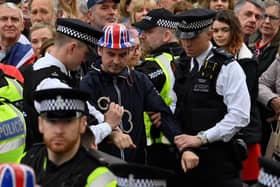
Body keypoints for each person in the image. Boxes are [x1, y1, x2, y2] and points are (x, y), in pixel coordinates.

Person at [80, 23, 182, 164]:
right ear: (100, 50)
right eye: (111, 54)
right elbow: (85, 126)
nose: (116, 61)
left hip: (136, 163)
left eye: (122, 55)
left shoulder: (139, 80)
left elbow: (164, 115)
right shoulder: (88, 83)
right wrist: (111, 132)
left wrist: (184, 147)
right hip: (101, 165)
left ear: (130, 51)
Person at [173, 8, 251, 187]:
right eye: (183, 38)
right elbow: (176, 105)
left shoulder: (228, 67)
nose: (186, 44)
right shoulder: (182, 64)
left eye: (192, 38)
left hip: (218, 161)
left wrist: (202, 138)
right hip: (186, 157)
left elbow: (239, 115)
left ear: (209, 34)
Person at [23, 18, 123, 151]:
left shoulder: (55, 71)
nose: (84, 60)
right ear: (72, 48)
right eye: (85, 54)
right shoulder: (51, 84)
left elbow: (87, 107)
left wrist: (110, 127)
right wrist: (109, 125)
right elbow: (75, 137)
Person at [20, 88, 118, 187]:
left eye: (68, 122)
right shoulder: (27, 160)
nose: (59, 131)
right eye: (52, 121)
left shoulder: (99, 176)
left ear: (82, 124)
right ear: (40, 124)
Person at [212, 9, 262, 185]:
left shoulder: (246, 59)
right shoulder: (212, 55)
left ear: (233, 30)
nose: (219, 35)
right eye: (216, 30)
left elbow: (243, 100)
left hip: (244, 133)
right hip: (220, 130)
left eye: (224, 30)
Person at [132, 8, 184, 171]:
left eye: (148, 31)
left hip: (157, 147)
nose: (142, 35)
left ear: (167, 35)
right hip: (183, 142)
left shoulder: (154, 64)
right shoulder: (188, 58)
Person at [0, 2, 35, 69]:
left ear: (22, 26)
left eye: (14, 19)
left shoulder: (29, 54)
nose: (9, 24)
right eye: (4, 19)